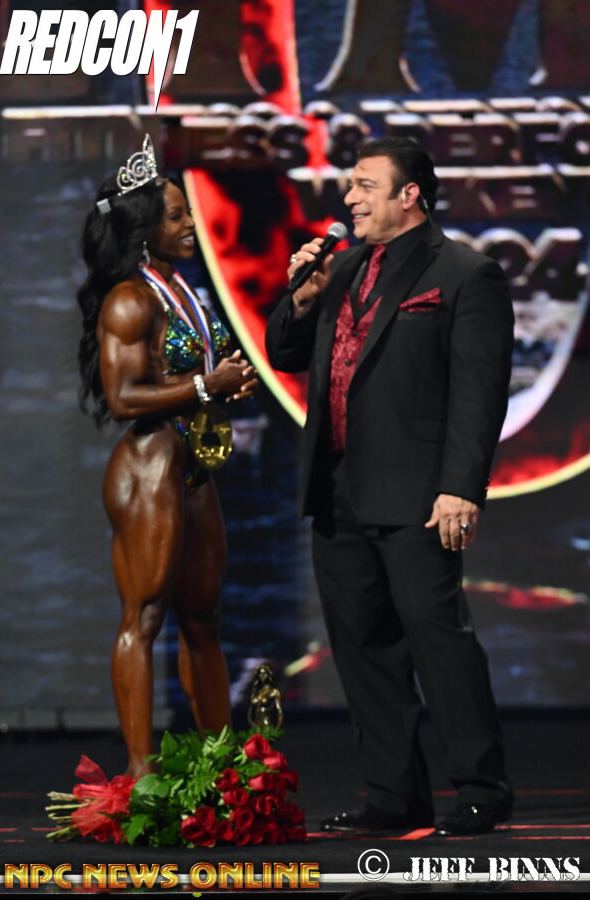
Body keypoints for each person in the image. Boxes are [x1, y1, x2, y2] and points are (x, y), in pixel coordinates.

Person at [265, 137, 514, 836]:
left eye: (365, 185)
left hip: (417, 492)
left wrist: (461, 487)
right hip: (337, 487)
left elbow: (479, 393)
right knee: (362, 646)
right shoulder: (341, 268)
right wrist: (301, 296)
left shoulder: (463, 273)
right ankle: (393, 794)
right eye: (350, 185)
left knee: (439, 643)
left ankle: (481, 787)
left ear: (410, 195)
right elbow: (285, 352)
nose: (349, 198)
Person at [78, 135, 257, 777]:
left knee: (203, 616)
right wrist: (209, 385)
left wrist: (227, 381)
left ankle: (222, 765)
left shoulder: (177, 288)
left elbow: (186, 373)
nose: (189, 225)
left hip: (191, 466)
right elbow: (123, 397)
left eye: (187, 214)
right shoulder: (130, 298)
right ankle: (140, 772)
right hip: (148, 465)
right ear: (145, 227)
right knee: (146, 615)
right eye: (177, 216)